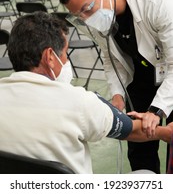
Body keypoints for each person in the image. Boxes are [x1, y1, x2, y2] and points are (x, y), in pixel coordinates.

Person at [0, 11, 173, 174]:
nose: (66, 60)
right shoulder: (79, 102)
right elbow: (132, 130)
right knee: (145, 175)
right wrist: (164, 132)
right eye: (65, 53)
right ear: (50, 57)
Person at [57, 0, 173, 174]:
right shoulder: (97, 16)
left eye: (86, 9)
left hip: (170, 74)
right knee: (140, 142)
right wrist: (118, 95)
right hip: (141, 75)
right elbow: (111, 58)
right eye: (77, 15)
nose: (84, 19)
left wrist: (156, 110)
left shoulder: (160, 1)